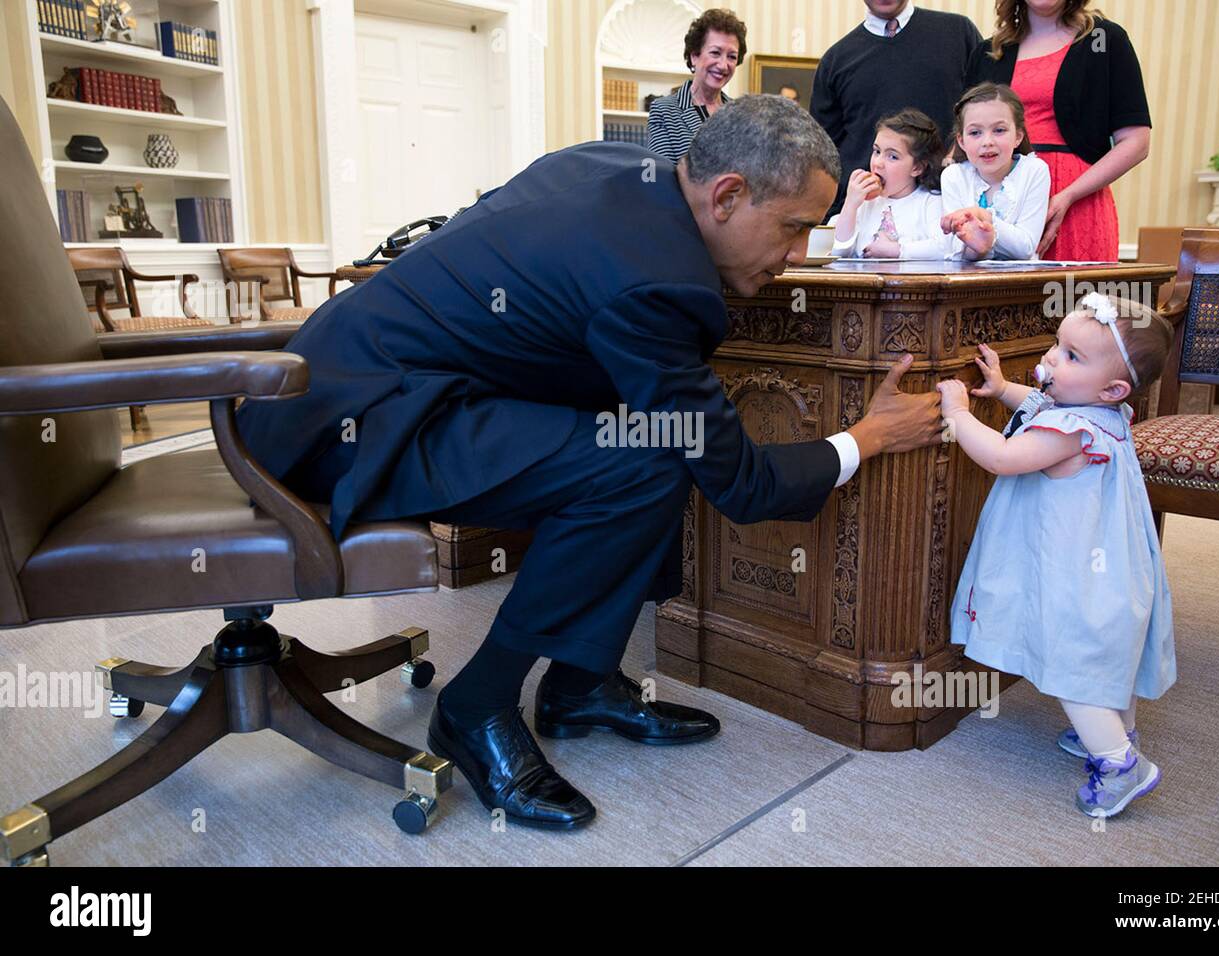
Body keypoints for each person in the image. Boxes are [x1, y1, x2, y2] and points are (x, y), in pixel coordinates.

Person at [235, 95, 943, 831]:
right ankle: (474, 708)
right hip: (352, 422)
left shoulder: (619, 168)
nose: (797, 254)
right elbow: (740, 483)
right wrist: (868, 437)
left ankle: (580, 685)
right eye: (794, 228)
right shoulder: (659, 283)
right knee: (640, 465)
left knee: (656, 444)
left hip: (352, 380)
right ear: (727, 195)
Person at [937, 292, 1175, 818]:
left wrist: (957, 412)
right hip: (1112, 567)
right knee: (1106, 655)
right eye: (1058, 344)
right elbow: (1042, 401)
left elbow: (1002, 457)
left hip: (1073, 575)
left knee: (1075, 666)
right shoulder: (1102, 413)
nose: (1050, 358)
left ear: (1111, 387)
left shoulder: (1068, 432)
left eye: (1070, 356)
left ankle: (1119, 763)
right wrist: (1001, 389)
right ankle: (1120, 731)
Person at [964, 0, 1151, 260]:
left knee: (1075, 300)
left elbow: (1136, 142)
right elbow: (965, 137)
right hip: (1001, 200)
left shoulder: (1105, 40)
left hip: (1078, 200)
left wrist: (1068, 196)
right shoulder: (988, 52)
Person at [811, 0, 981, 217]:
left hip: (951, 207)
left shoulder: (958, 34)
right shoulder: (836, 60)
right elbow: (824, 154)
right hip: (868, 213)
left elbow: (989, 109)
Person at [940, 82, 1051, 260]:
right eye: (975, 133)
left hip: (1021, 282)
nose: (987, 142)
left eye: (999, 130)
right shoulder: (953, 176)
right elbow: (956, 249)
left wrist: (985, 217)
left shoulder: (1034, 171)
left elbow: (1026, 247)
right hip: (965, 281)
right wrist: (979, 248)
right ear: (961, 141)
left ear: (1018, 137)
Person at [828, 108, 946, 259]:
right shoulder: (865, 204)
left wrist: (898, 250)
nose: (878, 163)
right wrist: (850, 205)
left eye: (892, 156)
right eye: (877, 151)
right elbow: (836, 251)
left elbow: (945, 248)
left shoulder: (930, 202)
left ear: (917, 167)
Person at [646, 8, 746, 164]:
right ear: (694, 56)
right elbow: (658, 176)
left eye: (732, 57)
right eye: (715, 53)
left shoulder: (741, 114)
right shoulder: (664, 110)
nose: (723, 65)